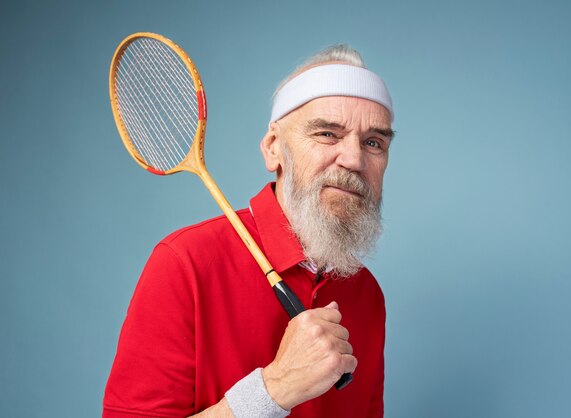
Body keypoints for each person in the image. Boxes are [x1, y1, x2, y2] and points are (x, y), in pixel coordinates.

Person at [103, 44, 395, 418]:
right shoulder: (185, 263)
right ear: (274, 149)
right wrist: (273, 389)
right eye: (327, 134)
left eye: (374, 143)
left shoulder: (367, 293)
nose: (354, 159)